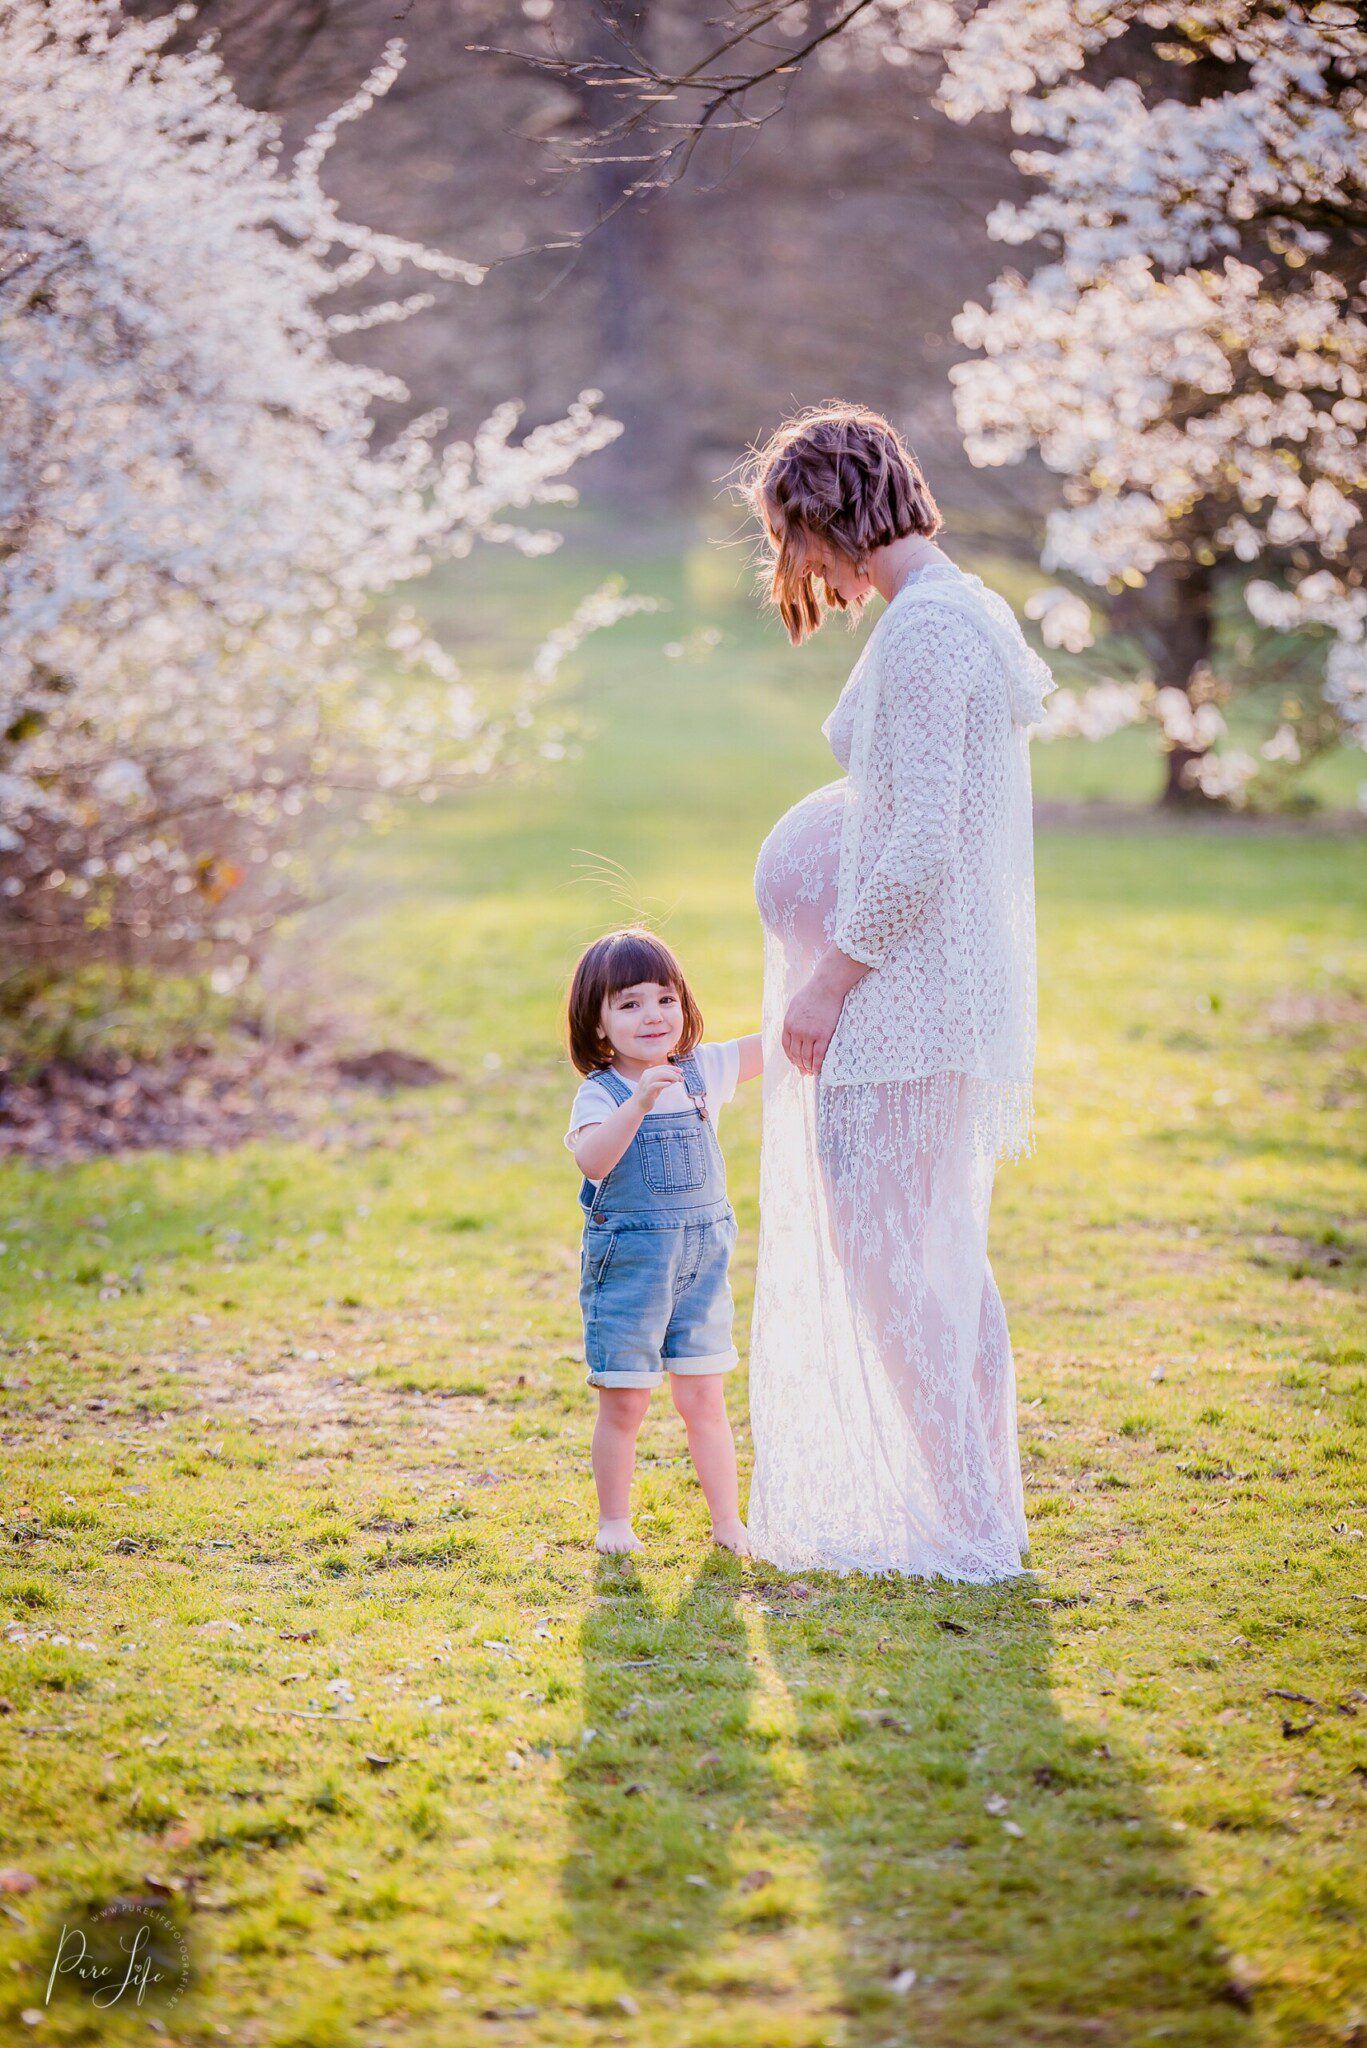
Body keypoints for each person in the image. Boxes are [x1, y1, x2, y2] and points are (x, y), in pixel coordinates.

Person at [743, 402, 1054, 1580]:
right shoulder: (961, 606)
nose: (799, 567)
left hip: (905, 991)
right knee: (932, 1251)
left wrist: (830, 976)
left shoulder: (927, 629)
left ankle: (961, 1516)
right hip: (933, 988)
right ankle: (974, 1507)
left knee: (891, 1261)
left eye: (792, 537)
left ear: (824, 516)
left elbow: (921, 839)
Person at [564, 927, 763, 1555]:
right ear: (599, 1027)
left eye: (664, 999)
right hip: (632, 1270)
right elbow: (594, 1161)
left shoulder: (706, 1071)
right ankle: (615, 1524)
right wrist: (638, 1106)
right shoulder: (603, 1091)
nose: (652, 1015)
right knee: (625, 1402)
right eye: (628, 1004)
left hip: (702, 1268)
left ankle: (729, 1524)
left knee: (704, 1396)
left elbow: (781, 1043)